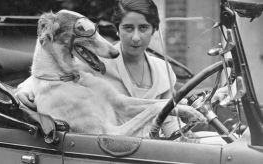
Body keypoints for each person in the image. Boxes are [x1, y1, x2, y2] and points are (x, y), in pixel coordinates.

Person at [16, 0, 206, 139]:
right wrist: (23, 91)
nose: (136, 37)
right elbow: (47, 76)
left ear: (154, 30)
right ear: (117, 29)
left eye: (144, 28)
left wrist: (186, 135)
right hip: (112, 150)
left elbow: (170, 123)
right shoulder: (92, 62)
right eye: (128, 28)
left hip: (150, 150)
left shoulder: (163, 70)